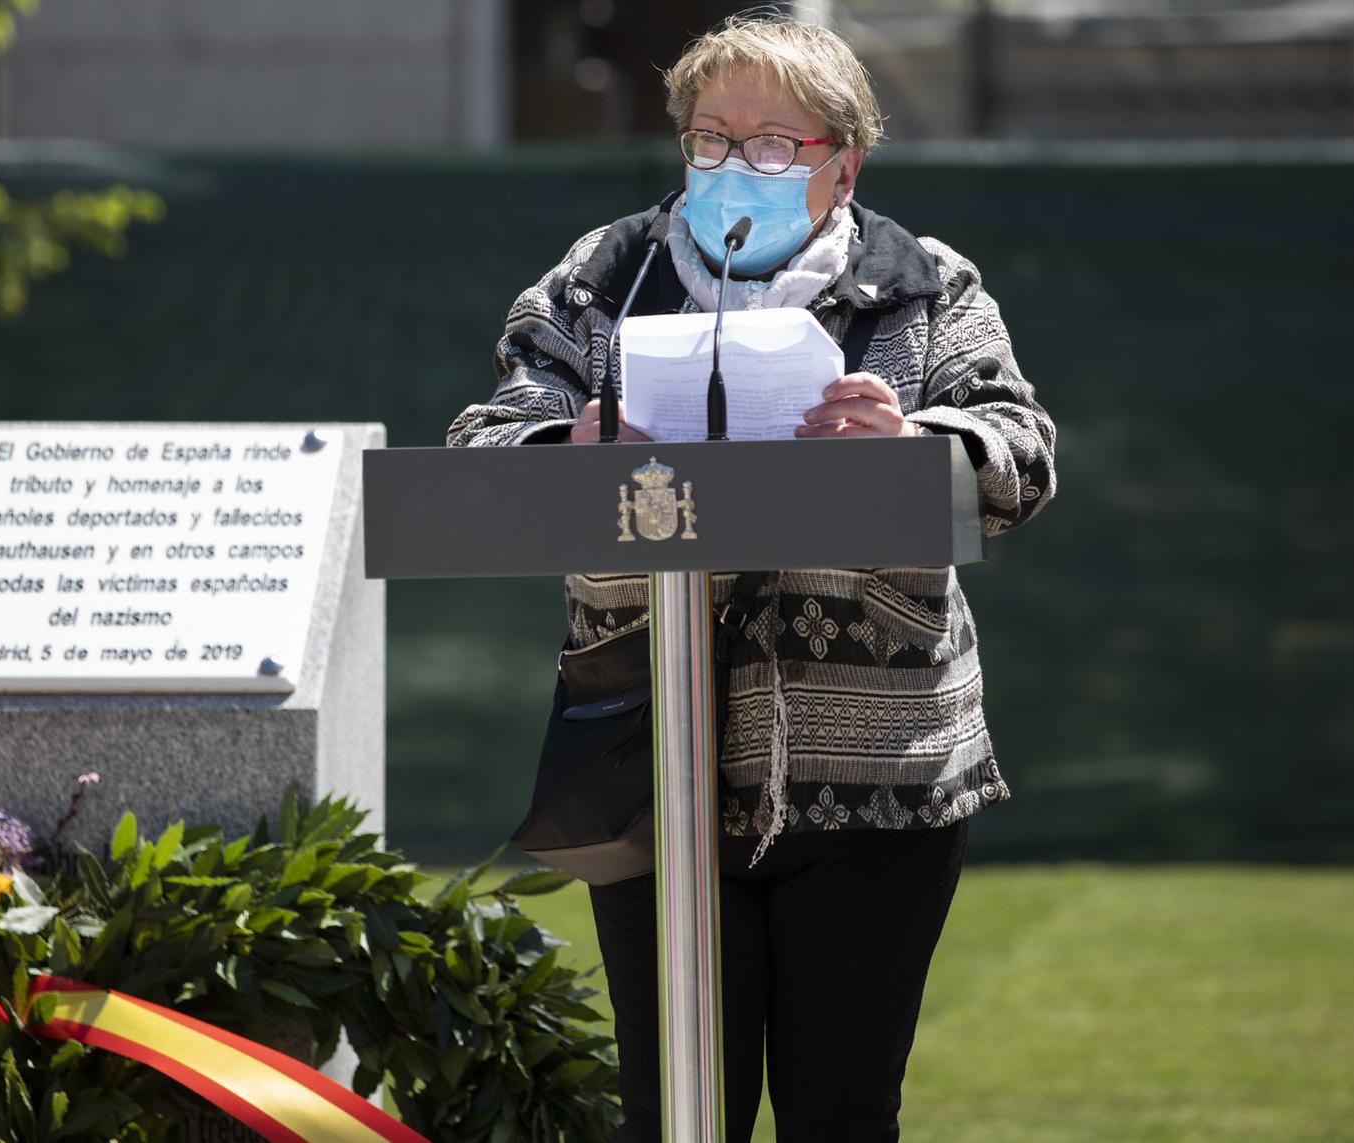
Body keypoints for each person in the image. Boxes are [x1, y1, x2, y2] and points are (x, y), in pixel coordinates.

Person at [447, 13, 1056, 1142]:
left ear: (843, 161)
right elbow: (483, 445)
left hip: (876, 778)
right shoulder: (603, 276)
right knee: (676, 1115)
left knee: (841, 1114)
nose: (738, 165)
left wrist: (914, 440)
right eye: (711, 138)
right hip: (652, 765)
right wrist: (561, 456)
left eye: (774, 143)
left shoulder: (924, 284)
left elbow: (1019, 453)